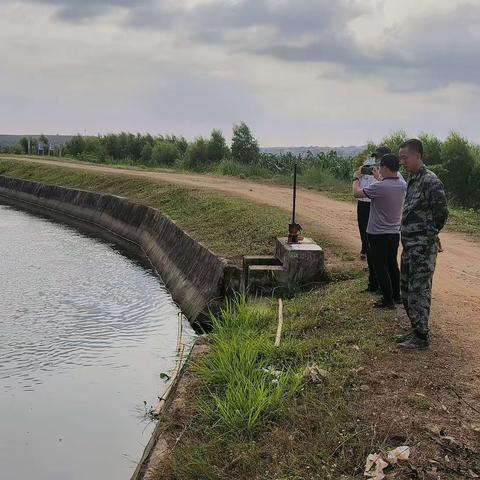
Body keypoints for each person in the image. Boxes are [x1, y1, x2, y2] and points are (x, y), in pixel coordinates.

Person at [397, 139, 449, 349]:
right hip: (410, 246)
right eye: (400, 158)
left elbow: (441, 213)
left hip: (422, 247)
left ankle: (421, 337)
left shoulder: (430, 181)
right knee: (406, 290)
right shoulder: (413, 178)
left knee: (419, 290)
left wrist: (429, 234)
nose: (402, 162)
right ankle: (416, 329)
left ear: (417, 156)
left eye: (404, 157)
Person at [353, 153, 407, 309]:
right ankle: (396, 296)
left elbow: (357, 193)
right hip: (394, 232)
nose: (378, 170)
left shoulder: (379, 186)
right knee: (392, 264)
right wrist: (380, 179)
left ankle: (387, 300)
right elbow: (388, 186)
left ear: (384, 167)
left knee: (380, 266)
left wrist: (356, 178)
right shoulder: (402, 185)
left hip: (377, 233)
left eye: (380, 167)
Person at [356, 146, 391, 292]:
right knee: (364, 231)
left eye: (380, 157)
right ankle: (365, 249)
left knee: (376, 247)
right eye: (377, 157)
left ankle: (380, 285)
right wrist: (361, 172)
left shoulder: (389, 172)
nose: (377, 160)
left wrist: (355, 179)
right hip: (363, 202)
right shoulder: (367, 163)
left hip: (373, 204)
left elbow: (386, 186)